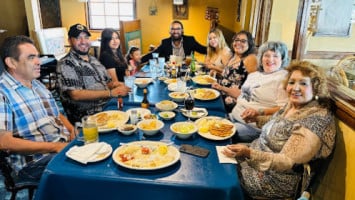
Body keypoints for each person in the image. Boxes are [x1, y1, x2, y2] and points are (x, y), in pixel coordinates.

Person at [222, 60, 336, 199]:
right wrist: (256, 119)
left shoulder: (316, 120)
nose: (295, 88)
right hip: (254, 156)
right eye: (292, 82)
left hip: (273, 179)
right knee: (219, 158)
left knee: (223, 179)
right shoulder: (293, 105)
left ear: (315, 87)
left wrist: (249, 153)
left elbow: (287, 161)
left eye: (303, 83)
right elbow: (276, 125)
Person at [0, 35, 74, 183]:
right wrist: (55, 147)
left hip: (60, 145)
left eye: (38, 56)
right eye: (31, 57)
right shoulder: (3, 93)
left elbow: (55, 114)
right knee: (86, 172)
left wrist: (71, 130)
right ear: (11, 62)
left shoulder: (36, 84)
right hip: (33, 162)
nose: (38, 62)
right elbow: (4, 142)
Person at [57, 23, 130, 123]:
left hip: (108, 107)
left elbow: (106, 82)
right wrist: (110, 93)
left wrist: (114, 84)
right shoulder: (66, 63)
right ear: (69, 40)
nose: (83, 41)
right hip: (88, 118)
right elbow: (75, 94)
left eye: (86, 37)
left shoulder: (93, 60)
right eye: (78, 38)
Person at [230, 41, 289, 142]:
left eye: (275, 56)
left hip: (253, 127)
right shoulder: (254, 75)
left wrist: (259, 112)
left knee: (218, 135)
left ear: (282, 59)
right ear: (261, 58)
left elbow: (285, 108)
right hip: (233, 115)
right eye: (266, 55)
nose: (270, 59)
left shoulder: (283, 78)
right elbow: (244, 95)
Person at [211, 30, 258, 112]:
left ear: (249, 44)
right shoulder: (234, 56)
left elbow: (251, 91)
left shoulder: (250, 58)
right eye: (236, 40)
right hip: (219, 95)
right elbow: (229, 76)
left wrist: (222, 88)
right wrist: (215, 72)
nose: (238, 43)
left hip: (231, 104)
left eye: (243, 41)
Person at [141, 20, 207, 63]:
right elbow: (154, 54)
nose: (175, 31)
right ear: (170, 31)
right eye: (173, 29)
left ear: (182, 30)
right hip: (170, 72)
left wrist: (215, 48)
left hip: (187, 72)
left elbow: (203, 49)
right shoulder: (165, 42)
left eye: (178, 29)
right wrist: (139, 60)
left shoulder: (190, 40)